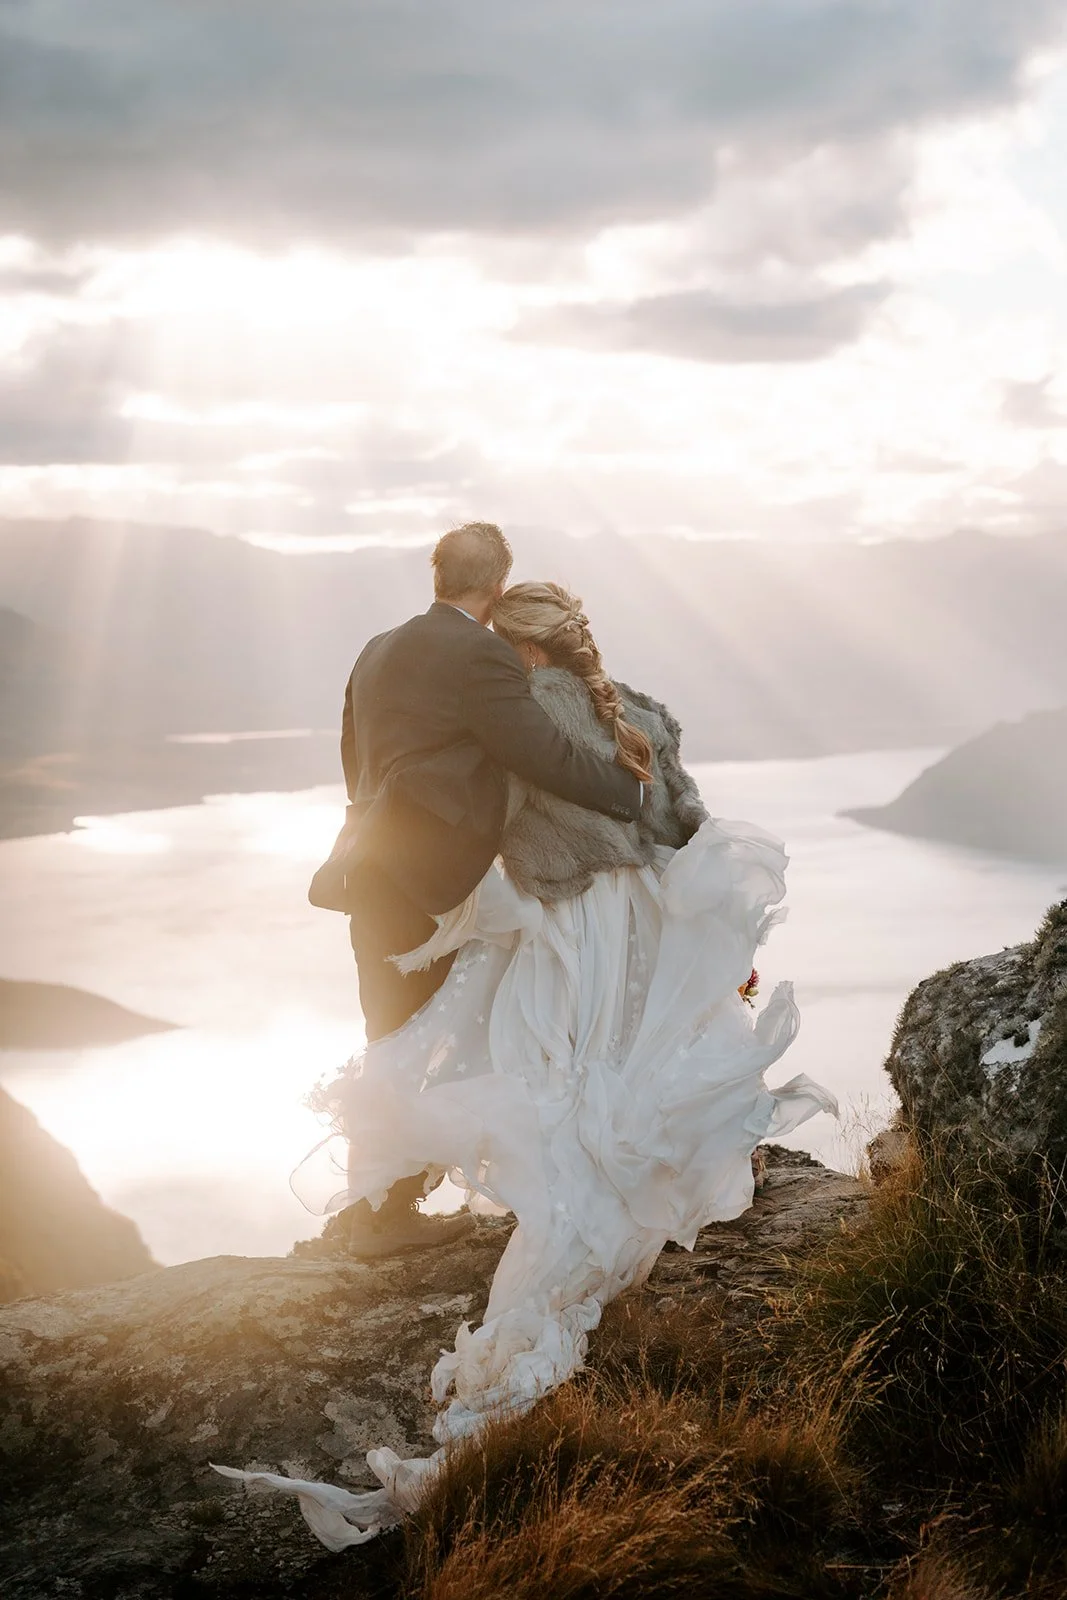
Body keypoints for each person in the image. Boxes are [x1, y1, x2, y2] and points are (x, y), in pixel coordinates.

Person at [229, 578, 836, 1548]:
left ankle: (542, 1252)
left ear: (513, 653)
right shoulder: (636, 709)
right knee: (643, 1065)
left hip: (570, 931)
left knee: (560, 1084)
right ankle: (657, 1191)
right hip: (648, 920)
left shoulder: (511, 718)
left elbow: (469, 823)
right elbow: (682, 819)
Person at [309, 524, 643, 1255]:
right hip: (430, 877)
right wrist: (627, 792)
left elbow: (351, 755)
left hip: (368, 864)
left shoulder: (376, 648)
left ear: (437, 575)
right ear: (496, 587)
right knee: (483, 1008)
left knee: (389, 1029)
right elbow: (540, 750)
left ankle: (380, 1205)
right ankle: (397, 1210)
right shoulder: (479, 653)